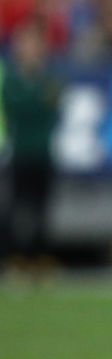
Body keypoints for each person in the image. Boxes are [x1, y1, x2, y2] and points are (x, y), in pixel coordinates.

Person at [2, 21, 64, 271]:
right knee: (16, 207)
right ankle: (15, 256)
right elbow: (19, 108)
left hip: (43, 152)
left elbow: (51, 109)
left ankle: (38, 257)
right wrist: (35, 102)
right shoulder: (13, 78)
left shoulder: (49, 78)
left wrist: (35, 104)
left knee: (41, 208)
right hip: (20, 151)